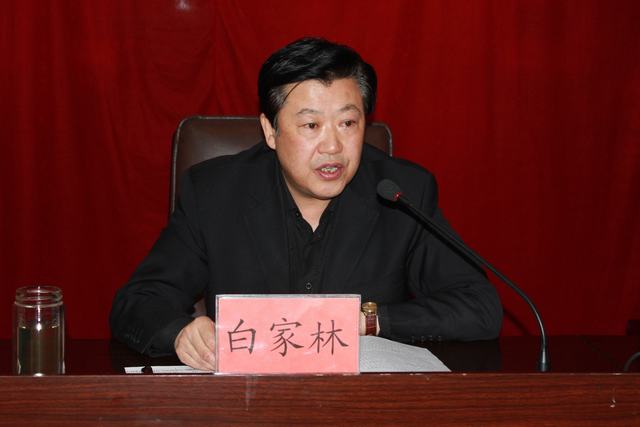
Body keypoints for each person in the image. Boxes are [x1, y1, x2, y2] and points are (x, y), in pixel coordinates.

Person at [110, 37, 502, 371]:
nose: (332, 146)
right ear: (271, 130)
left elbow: (479, 308)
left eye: (347, 123)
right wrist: (181, 332)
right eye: (311, 126)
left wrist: (368, 321)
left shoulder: (402, 193)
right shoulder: (215, 193)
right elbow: (138, 302)